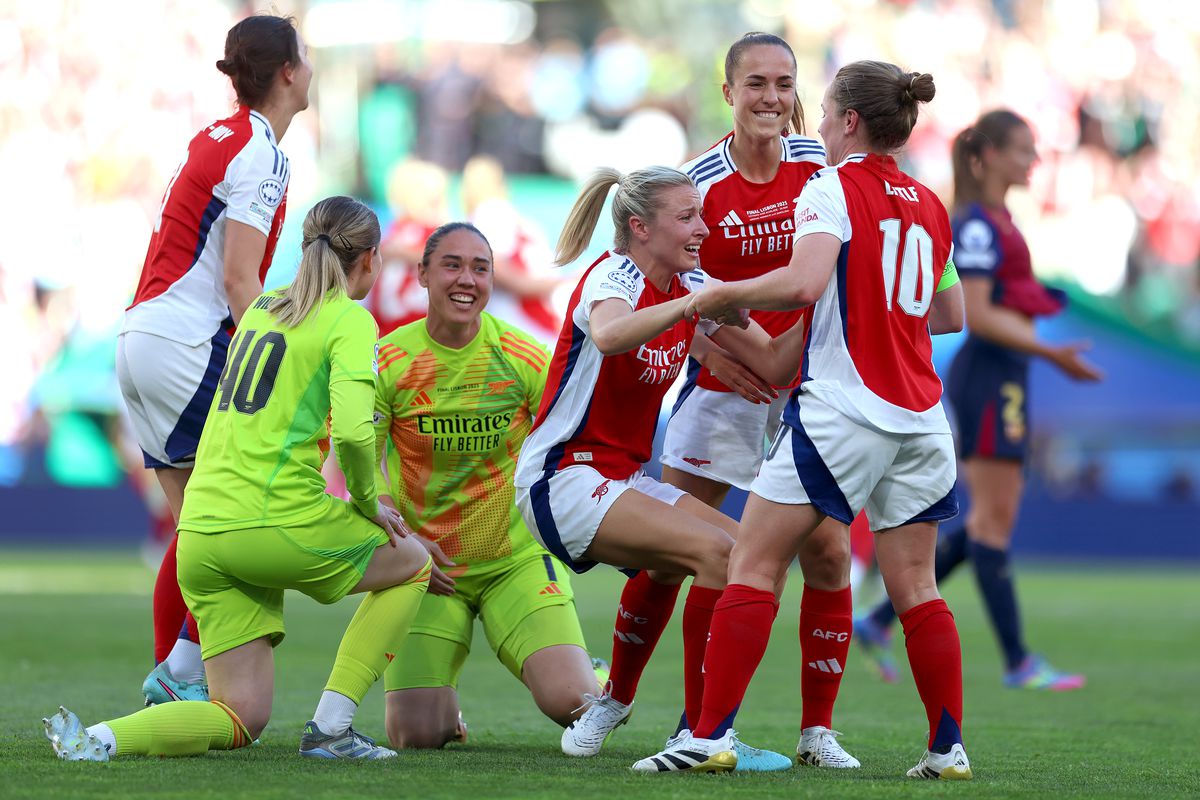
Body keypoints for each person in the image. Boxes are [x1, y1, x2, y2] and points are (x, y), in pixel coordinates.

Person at [637, 61, 973, 779]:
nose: (813, 125)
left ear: (849, 121)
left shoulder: (830, 186)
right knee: (918, 587)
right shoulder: (928, 203)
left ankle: (706, 736)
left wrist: (714, 297)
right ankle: (947, 750)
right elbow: (950, 314)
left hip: (845, 409)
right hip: (922, 418)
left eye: (821, 111)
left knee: (752, 564)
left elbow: (803, 282)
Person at [44, 196, 433, 762]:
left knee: (241, 716)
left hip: (201, 532)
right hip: (273, 519)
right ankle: (332, 728)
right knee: (413, 563)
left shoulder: (263, 308)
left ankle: (100, 738)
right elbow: (353, 435)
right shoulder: (350, 319)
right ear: (371, 259)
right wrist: (369, 501)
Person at [513, 166, 808, 772]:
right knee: (721, 556)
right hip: (561, 478)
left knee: (754, 559)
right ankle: (702, 733)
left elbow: (776, 363)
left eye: (701, 215)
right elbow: (611, 334)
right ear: (640, 228)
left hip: (620, 479)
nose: (704, 228)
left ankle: (626, 704)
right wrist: (693, 307)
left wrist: (828, 295)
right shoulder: (613, 275)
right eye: (687, 217)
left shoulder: (691, 286)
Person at [659, 32, 859, 769]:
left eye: (783, 83)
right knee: (671, 553)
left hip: (806, 392)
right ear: (728, 92)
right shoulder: (697, 181)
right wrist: (709, 351)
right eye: (756, 84)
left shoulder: (819, 168)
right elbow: (661, 285)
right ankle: (648, 710)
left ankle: (817, 731)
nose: (771, 97)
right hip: (723, 388)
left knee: (829, 554)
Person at [855, 109, 1103, 691]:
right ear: (988, 155)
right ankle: (1018, 662)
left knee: (990, 522)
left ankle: (878, 620)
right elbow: (981, 314)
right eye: (1022, 149)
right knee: (994, 523)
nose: (1033, 161)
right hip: (991, 378)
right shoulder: (973, 226)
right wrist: (1052, 353)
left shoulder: (997, 219)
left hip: (1004, 377)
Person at [115, 14, 312, 705]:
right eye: (306, 56)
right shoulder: (262, 151)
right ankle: (181, 672)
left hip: (141, 340)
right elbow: (239, 280)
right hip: (186, 344)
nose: (311, 68)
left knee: (193, 527)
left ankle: (172, 686)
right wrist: (281, 364)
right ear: (287, 71)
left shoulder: (217, 136)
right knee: (242, 511)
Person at [374, 222, 603, 749]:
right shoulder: (388, 360)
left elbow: (571, 443)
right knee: (414, 736)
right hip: (427, 567)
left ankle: (591, 676)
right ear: (422, 274)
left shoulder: (524, 357)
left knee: (577, 706)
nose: (467, 279)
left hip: (513, 562)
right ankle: (444, 712)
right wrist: (403, 540)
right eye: (452, 265)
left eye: (481, 268)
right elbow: (363, 462)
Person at [462, 155, 567, 344]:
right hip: (529, 329)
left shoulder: (491, 213)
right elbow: (498, 269)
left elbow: (497, 269)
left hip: (522, 328)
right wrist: (560, 284)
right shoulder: (502, 215)